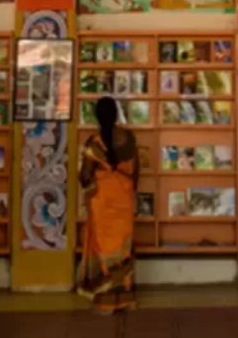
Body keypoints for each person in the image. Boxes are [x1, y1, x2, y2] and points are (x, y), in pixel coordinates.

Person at [76, 97, 138, 314]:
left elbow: (84, 176)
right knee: (124, 249)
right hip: (124, 199)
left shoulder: (94, 143)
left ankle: (107, 303)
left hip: (102, 203)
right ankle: (126, 299)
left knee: (105, 251)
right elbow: (135, 172)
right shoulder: (129, 138)